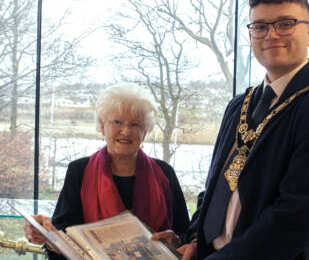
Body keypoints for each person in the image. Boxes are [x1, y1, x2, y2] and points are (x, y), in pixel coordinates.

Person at [153, 0, 309, 259]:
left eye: (285, 23)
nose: (271, 35)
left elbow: (294, 219)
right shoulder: (240, 104)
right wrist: (192, 237)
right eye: (260, 26)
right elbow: (219, 186)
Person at [23, 83, 190, 259]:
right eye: (117, 122)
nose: (126, 131)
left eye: (135, 124)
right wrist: (45, 235)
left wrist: (176, 240)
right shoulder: (79, 171)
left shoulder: (165, 173)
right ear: (102, 126)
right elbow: (63, 240)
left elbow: (185, 234)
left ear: (145, 131)